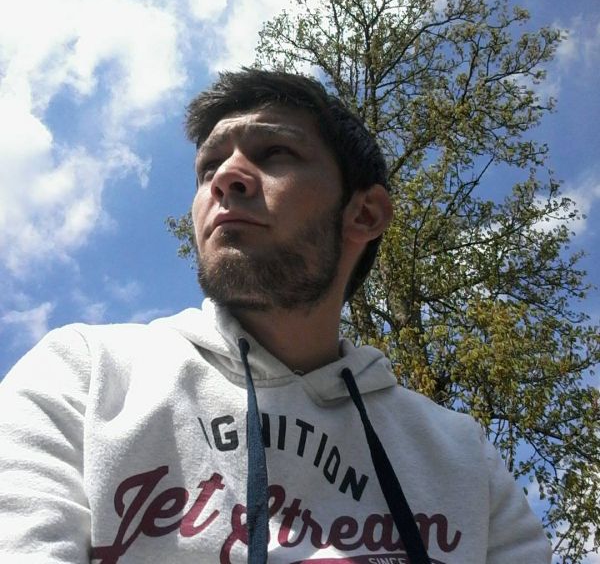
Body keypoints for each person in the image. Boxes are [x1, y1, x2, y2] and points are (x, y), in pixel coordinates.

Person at [0, 69, 551, 564]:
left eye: (275, 153)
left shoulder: (463, 459)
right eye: (208, 167)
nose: (226, 177)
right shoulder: (84, 376)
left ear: (364, 213)